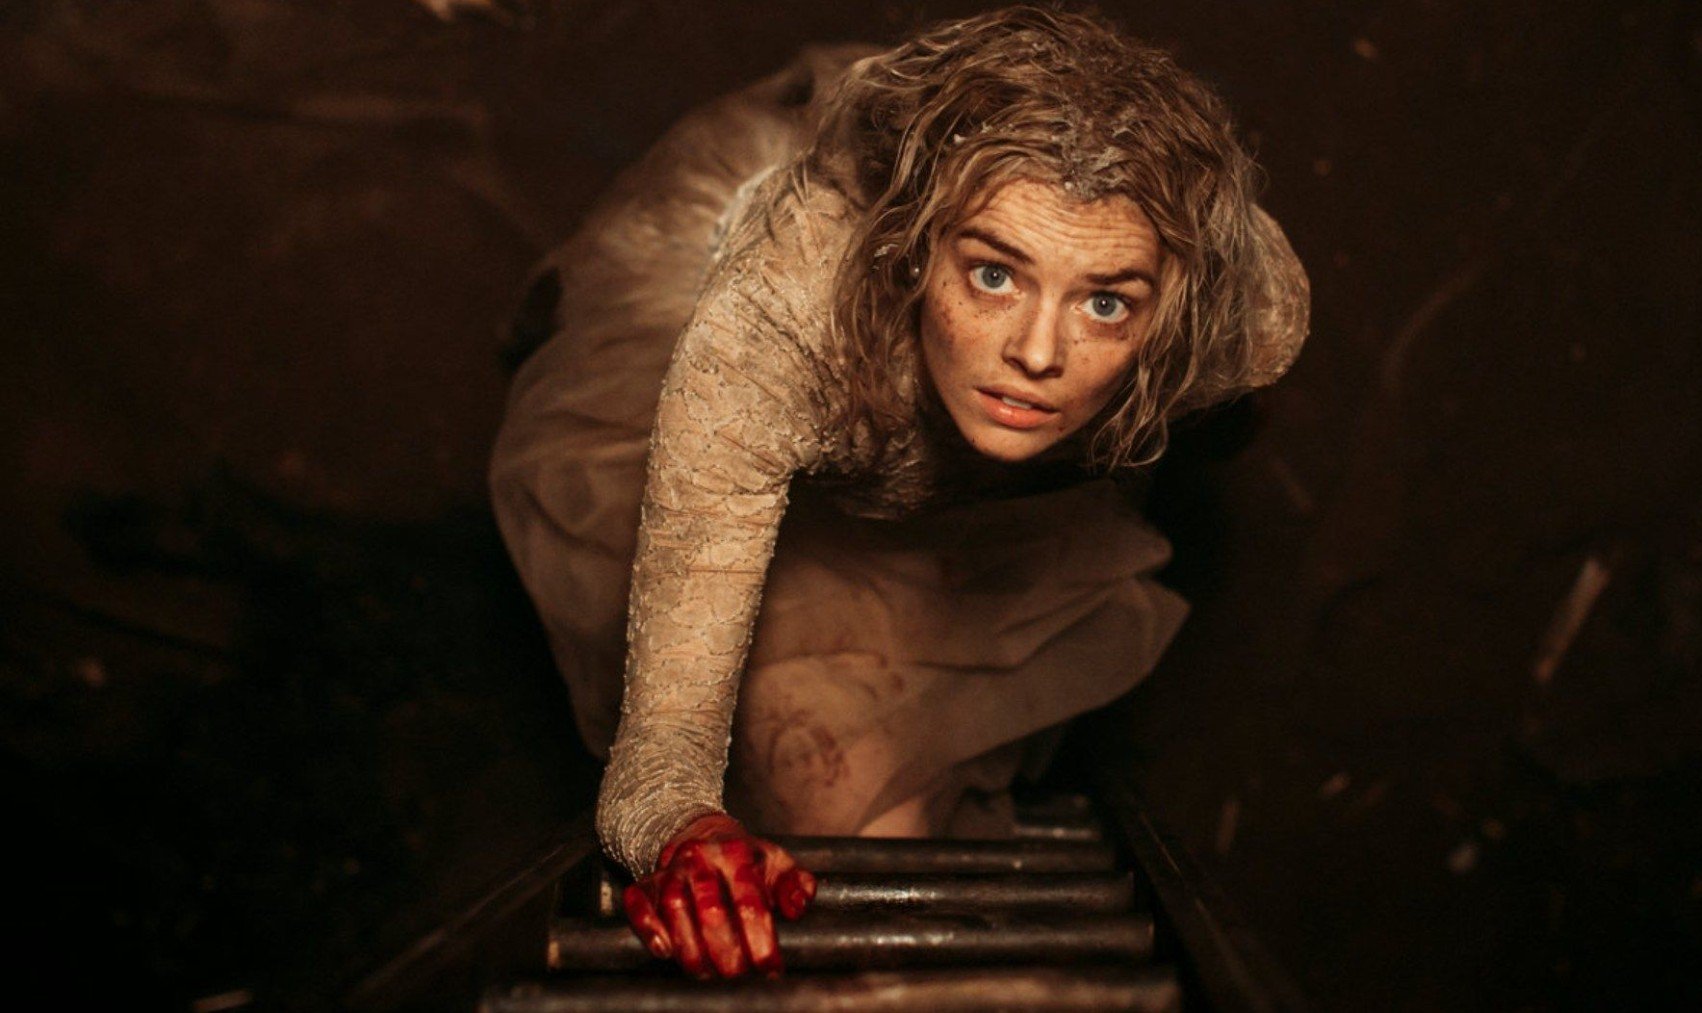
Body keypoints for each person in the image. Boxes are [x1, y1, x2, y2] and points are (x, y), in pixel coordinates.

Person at [489, 6, 1309, 979]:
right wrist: (683, 829)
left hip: (954, 447)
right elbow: (660, 753)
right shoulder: (770, 339)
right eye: (993, 274)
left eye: (1104, 302)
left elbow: (1219, 404)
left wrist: (1155, 423)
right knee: (817, 768)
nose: (1037, 353)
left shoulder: (1243, 321)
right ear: (916, 252)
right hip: (763, 334)